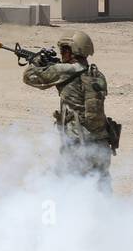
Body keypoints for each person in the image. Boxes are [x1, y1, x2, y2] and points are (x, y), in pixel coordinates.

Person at [23, 30, 114, 182]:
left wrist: (36, 61)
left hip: (78, 144)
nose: (62, 54)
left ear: (72, 51)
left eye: (64, 50)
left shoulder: (65, 71)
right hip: (101, 143)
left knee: (68, 186)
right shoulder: (96, 74)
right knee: (101, 186)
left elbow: (30, 77)